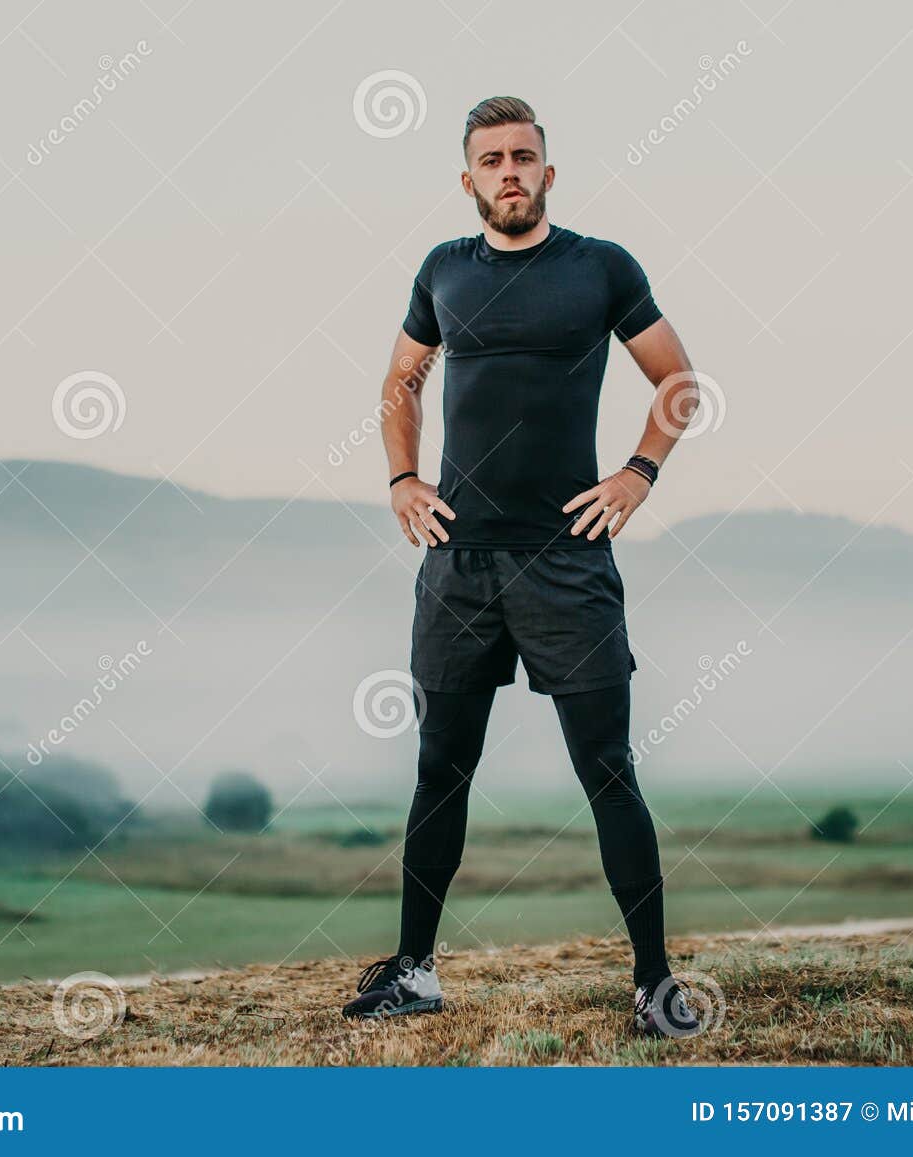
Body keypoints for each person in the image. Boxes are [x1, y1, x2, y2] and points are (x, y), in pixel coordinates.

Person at [341, 96, 703, 1037]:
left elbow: (679, 380)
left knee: (609, 772)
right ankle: (415, 971)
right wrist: (402, 479)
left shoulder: (599, 267)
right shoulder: (442, 273)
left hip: (566, 562)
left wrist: (637, 474)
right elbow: (399, 383)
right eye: (492, 159)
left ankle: (655, 984)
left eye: (525, 156)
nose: (510, 171)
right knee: (439, 769)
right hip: (457, 560)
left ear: (550, 171)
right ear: (468, 180)